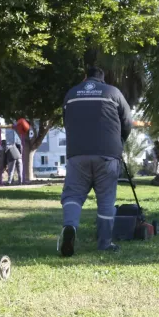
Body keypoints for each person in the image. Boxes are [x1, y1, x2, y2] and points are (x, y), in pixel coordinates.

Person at [58, 65, 133, 256]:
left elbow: (66, 121)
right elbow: (127, 122)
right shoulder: (113, 92)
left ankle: (70, 227)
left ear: (85, 77)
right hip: (107, 154)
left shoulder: (71, 94)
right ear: (103, 78)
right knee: (106, 200)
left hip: (77, 154)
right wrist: (120, 141)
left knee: (73, 195)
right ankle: (104, 244)